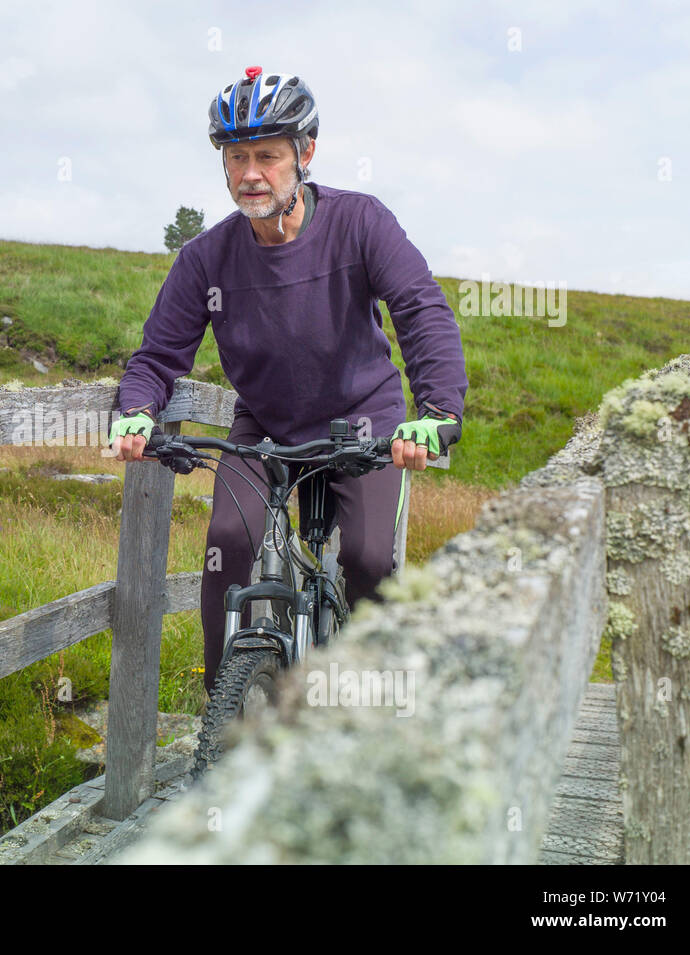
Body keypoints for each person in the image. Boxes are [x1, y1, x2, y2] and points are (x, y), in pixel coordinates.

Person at [108, 66, 467, 694]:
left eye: (268, 156)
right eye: (236, 156)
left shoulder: (360, 224)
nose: (251, 173)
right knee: (227, 541)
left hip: (363, 420)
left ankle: (372, 706)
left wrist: (437, 412)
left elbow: (419, 307)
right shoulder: (205, 258)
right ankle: (224, 724)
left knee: (365, 559)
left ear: (304, 153)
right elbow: (160, 354)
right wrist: (137, 410)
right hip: (266, 423)